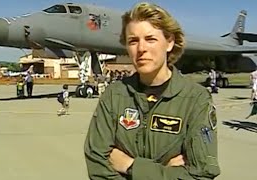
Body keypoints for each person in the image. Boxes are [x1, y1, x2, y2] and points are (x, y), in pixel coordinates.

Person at [84, 2, 220, 179]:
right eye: (133, 41)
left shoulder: (195, 99)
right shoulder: (114, 95)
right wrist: (167, 171)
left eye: (151, 39)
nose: (141, 49)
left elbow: (202, 173)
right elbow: (97, 164)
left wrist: (131, 166)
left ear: (169, 42)